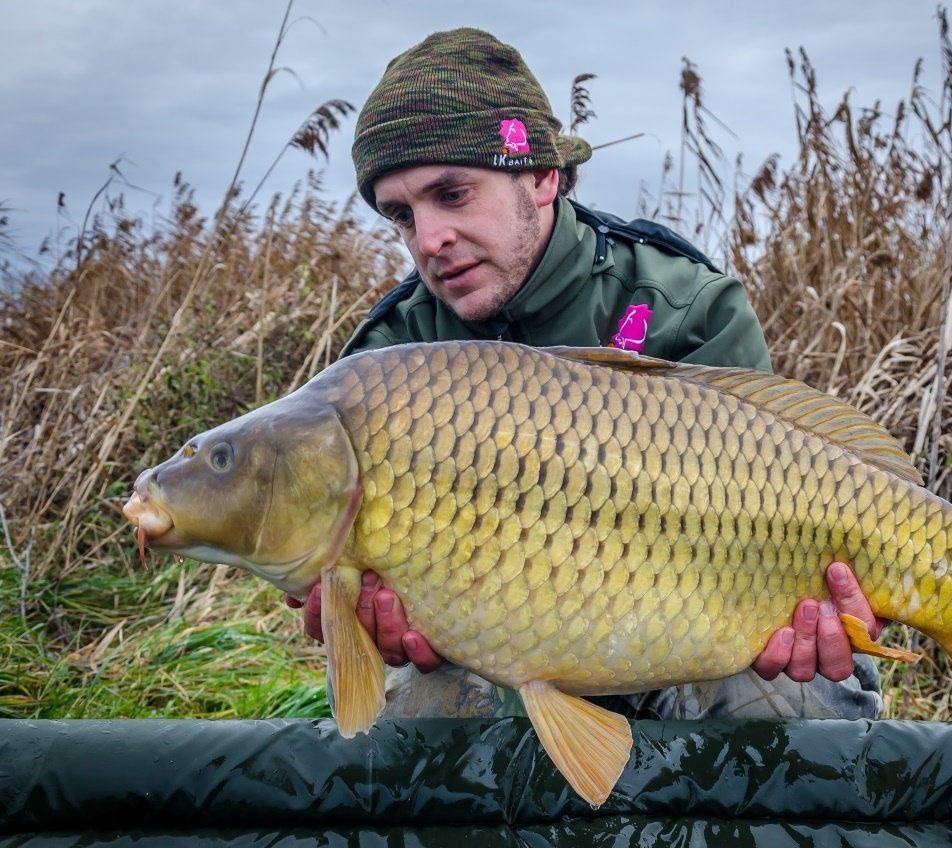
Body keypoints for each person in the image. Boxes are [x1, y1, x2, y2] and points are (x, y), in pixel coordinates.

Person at [287, 27, 888, 721]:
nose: (428, 240)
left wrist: (812, 610)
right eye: (401, 214)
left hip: (691, 628)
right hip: (499, 650)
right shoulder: (391, 354)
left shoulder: (684, 305)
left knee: (794, 701)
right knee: (411, 714)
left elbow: (784, 507)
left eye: (452, 195)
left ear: (541, 177)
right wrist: (351, 617)